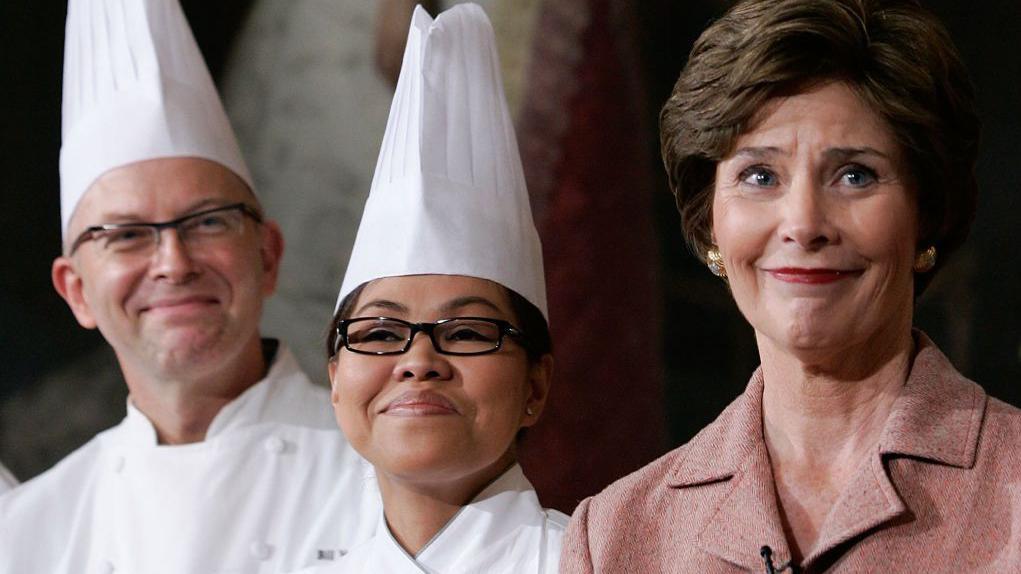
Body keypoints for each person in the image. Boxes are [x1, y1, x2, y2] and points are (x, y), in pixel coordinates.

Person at [561, 0, 1021, 572]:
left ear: (928, 216)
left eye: (856, 175)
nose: (803, 223)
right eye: (760, 176)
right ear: (709, 226)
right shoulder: (614, 536)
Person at [0, 0, 378, 572]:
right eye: (126, 235)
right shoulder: (31, 531)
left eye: (207, 222)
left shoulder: (395, 479)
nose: (173, 263)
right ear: (75, 290)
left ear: (268, 255)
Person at [293, 5, 566, 572]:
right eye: (381, 332)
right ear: (337, 380)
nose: (419, 361)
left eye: (466, 332)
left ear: (535, 385)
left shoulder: (597, 561)